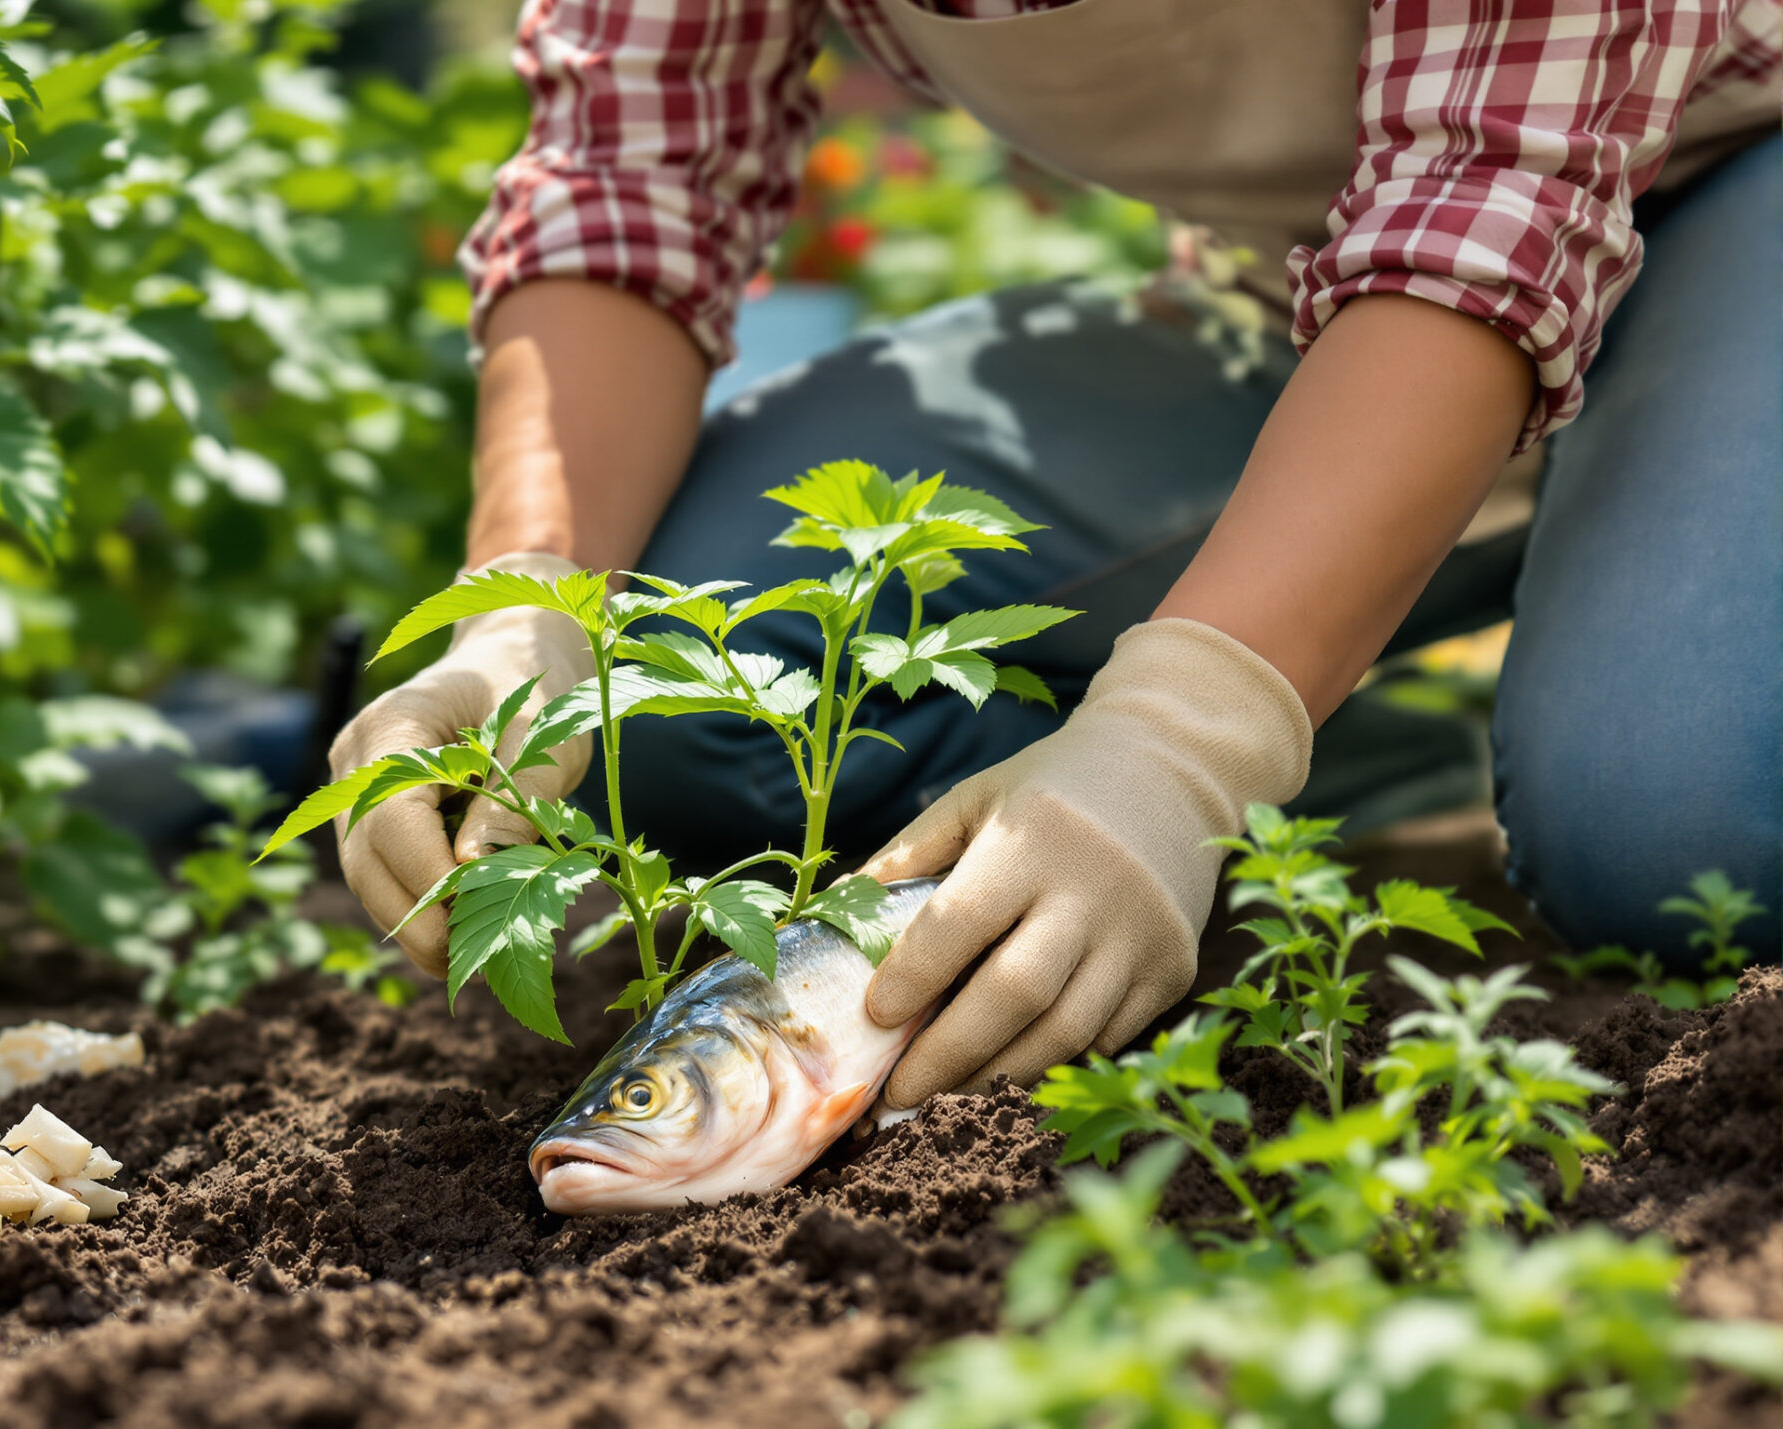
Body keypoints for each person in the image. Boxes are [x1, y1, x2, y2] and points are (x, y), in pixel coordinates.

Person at [328, 0, 1782, 1110]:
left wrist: (1182, 738)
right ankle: (1353, 743)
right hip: (1325, 271)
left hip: (1734, 176)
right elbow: (628, 168)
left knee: (1675, 838)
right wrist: (527, 608)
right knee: (675, 686)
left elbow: (1486, 216)